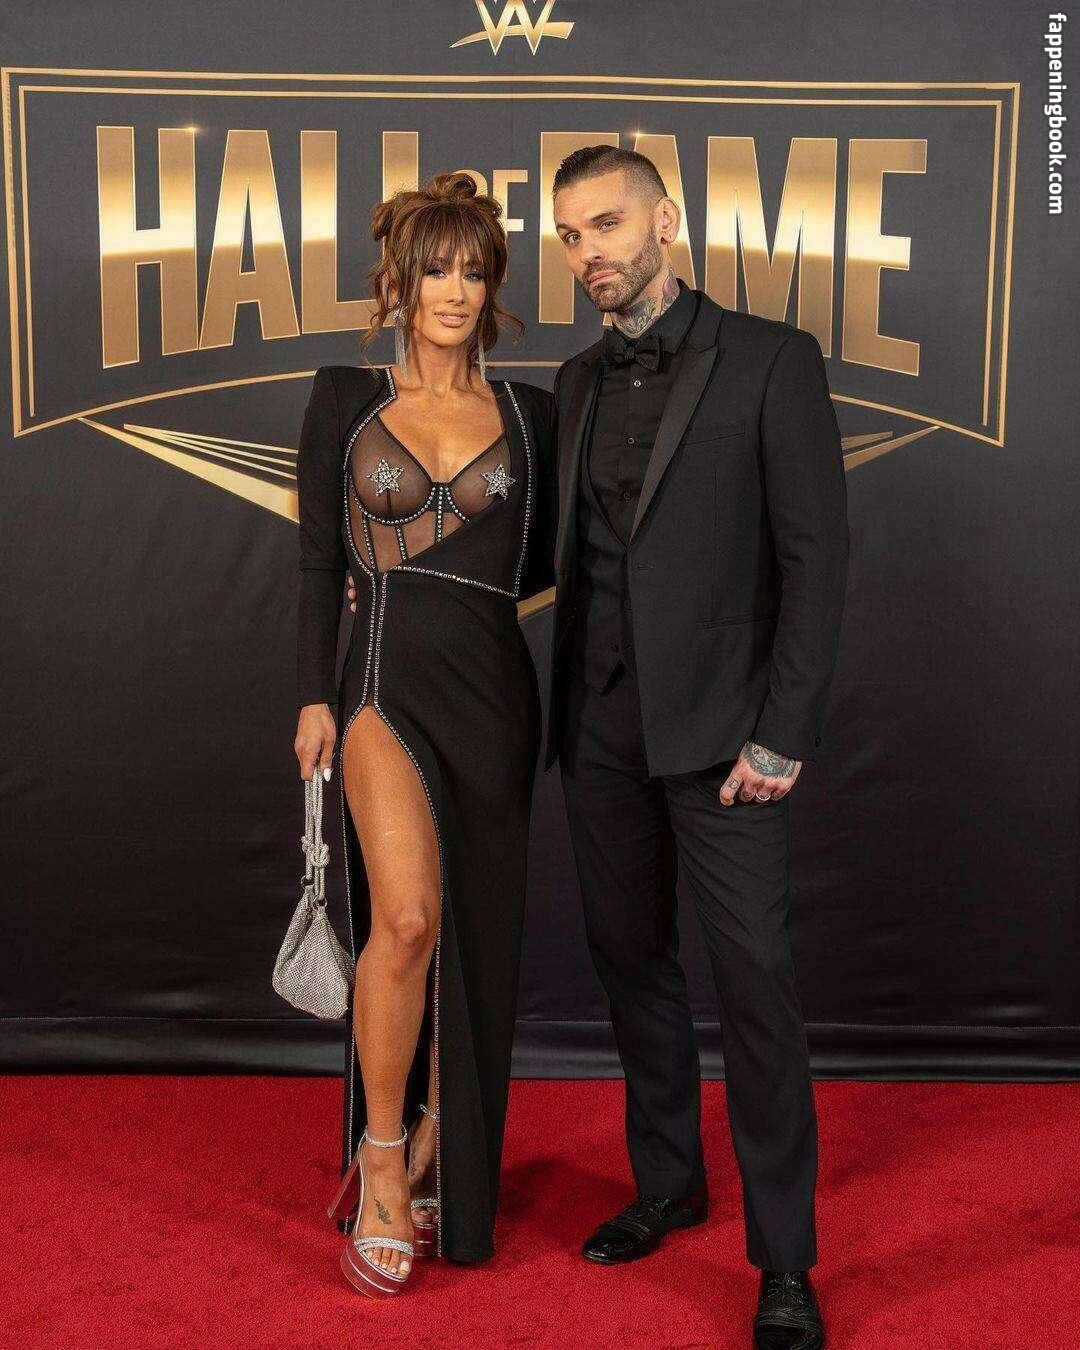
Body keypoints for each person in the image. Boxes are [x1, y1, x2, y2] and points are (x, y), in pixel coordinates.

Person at [545, 146, 849, 1350]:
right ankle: (669, 1182)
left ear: (665, 220)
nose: (590, 252)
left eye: (607, 224)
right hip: (600, 729)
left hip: (731, 742)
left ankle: (785, 1260)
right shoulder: (574, 381)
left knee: (757, 987)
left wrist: (784, 733)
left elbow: (817, 558)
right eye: (571, 236)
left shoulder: (773, 359)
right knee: (632, 962)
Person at [293, 172, 556, 1297]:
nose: (455, 290)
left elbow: (547, 564)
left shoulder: (534, 416)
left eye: (474, 271)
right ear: (398, 281)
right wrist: (312, 694)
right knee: (405, 918)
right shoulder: (346, 396)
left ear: (493, 288)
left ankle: (446, 1132)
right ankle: (384, 1157)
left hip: (493, 690)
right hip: (380, 682)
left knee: (477, 936)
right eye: (435, 268)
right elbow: (318, 561)